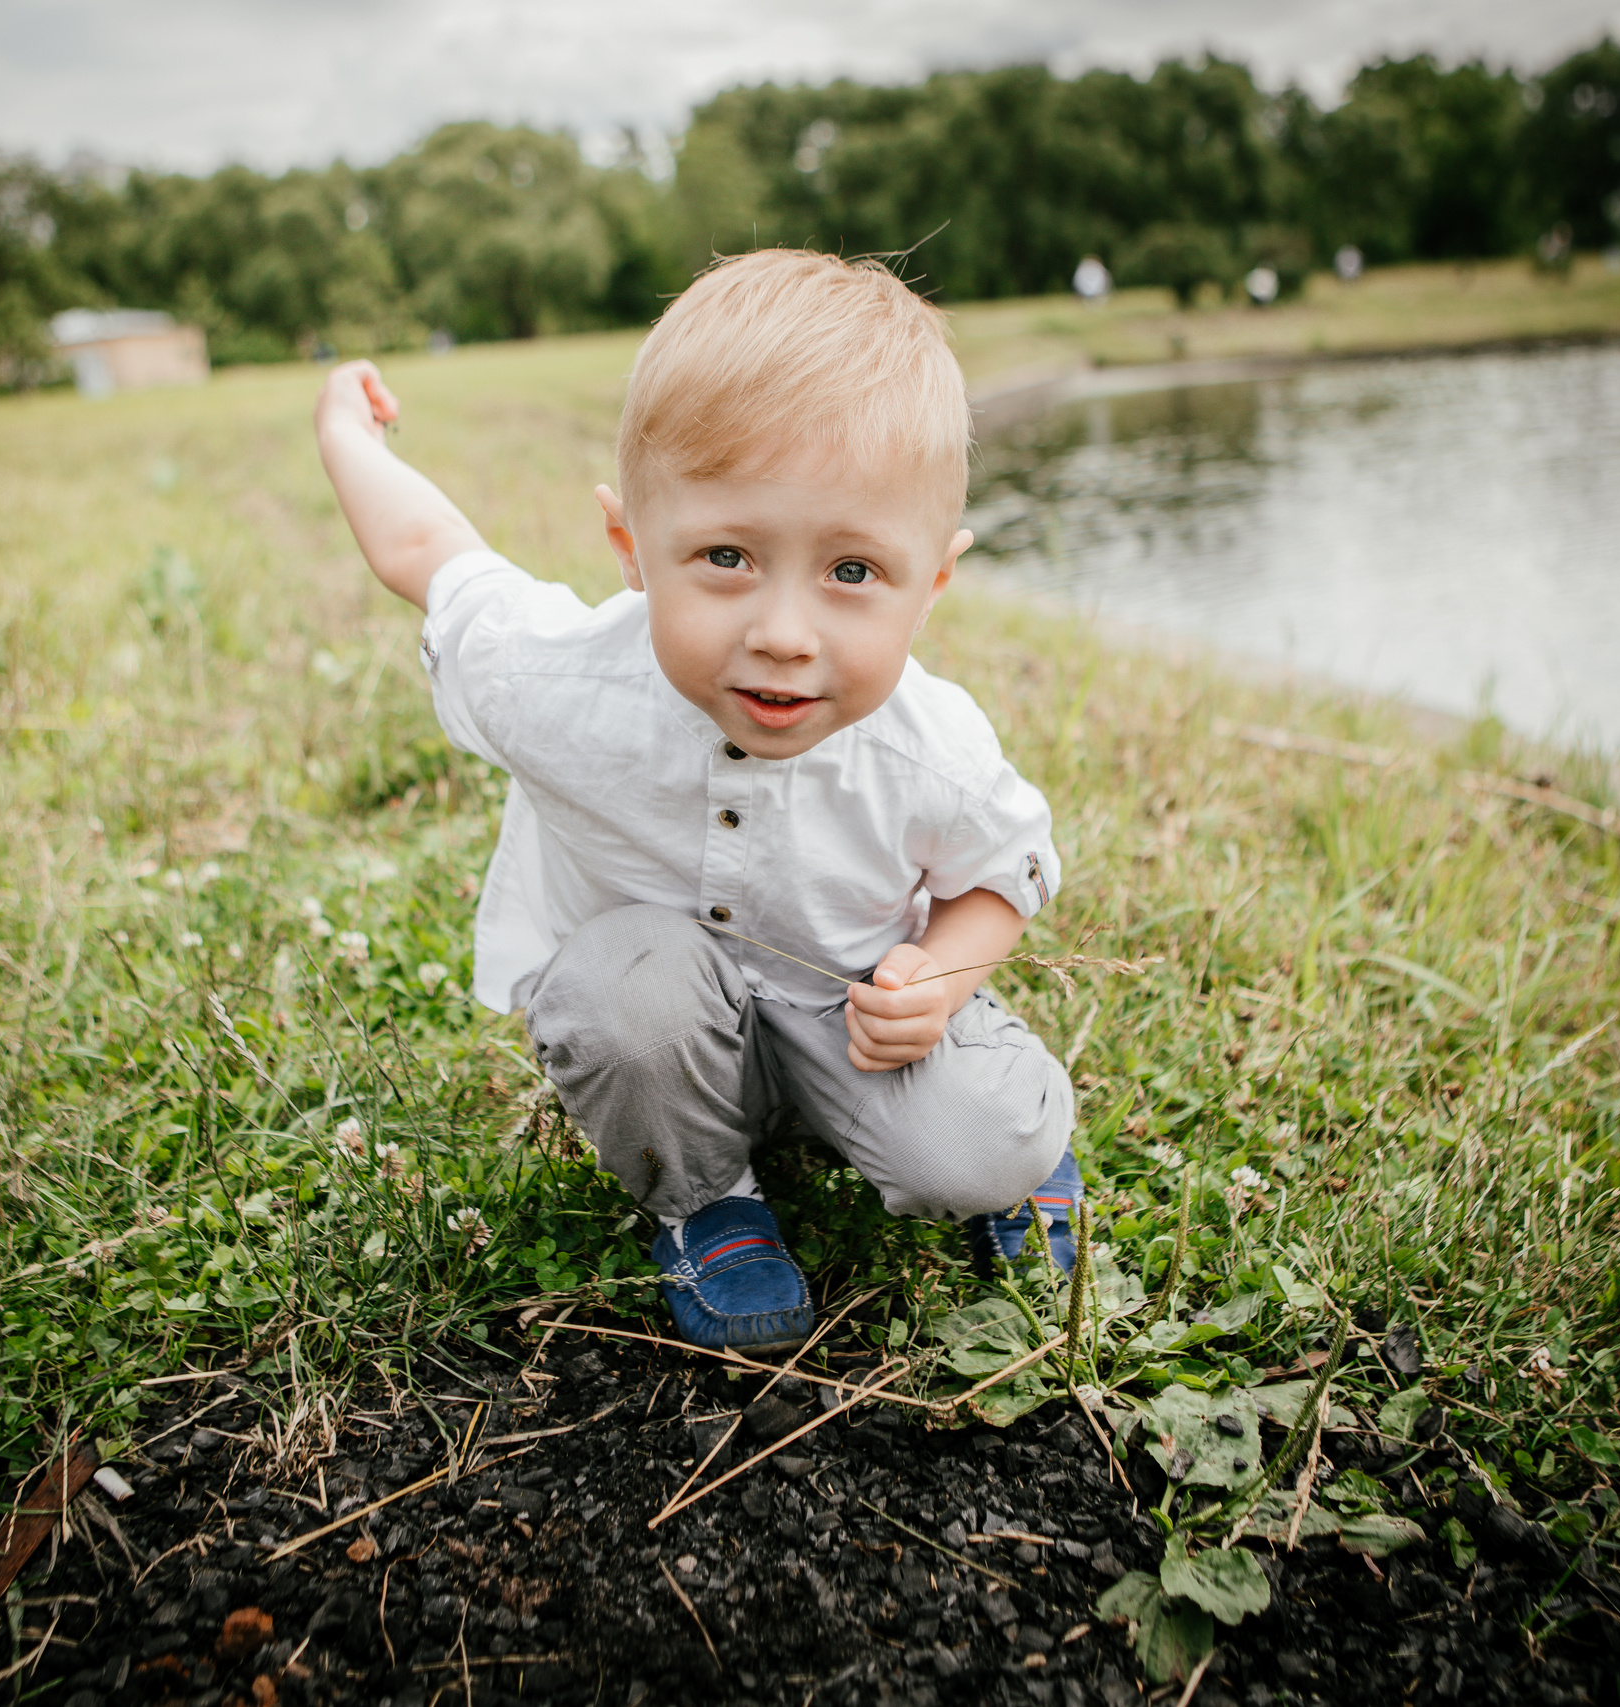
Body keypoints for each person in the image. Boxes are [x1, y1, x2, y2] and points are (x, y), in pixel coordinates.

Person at [311, 251, 1080, 1352]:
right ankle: (708, 1202)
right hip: (660, 1024)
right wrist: (348, 429)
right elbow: (426, 552)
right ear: (631, 548)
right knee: (617, 990)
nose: (783, 633)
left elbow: (1004, 873)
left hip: (853, 1023)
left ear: (932, 585)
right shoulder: (550, 682)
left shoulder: (930, 747)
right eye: (727, 555)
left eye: (851, 572)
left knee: (977, 1149)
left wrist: (943, 976)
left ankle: (1021, 1151)